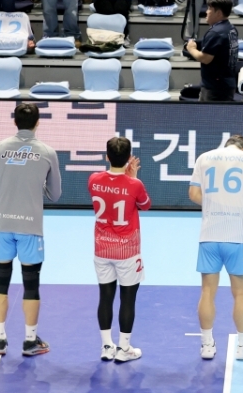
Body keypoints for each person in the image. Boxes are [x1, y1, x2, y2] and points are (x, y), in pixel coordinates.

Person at [0, 102, 61, 357]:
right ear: (38, 122)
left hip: (1, 224)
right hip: (30, 227)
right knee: (31, 284)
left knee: (0, 282)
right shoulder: (47, 152)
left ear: (14, 122)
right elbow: (55, 194)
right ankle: (30, 342)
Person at [188, 133, 243, 360]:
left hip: (209, 236)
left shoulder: (204, 157)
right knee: (240, 293)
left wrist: (215, 203)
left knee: (207, 292)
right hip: (238, 237)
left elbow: (193, 194)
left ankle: (207, 345)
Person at [89, 137, 149, 363]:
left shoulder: (94, 179)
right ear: (128, 158)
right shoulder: (135, 185)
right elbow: (145, 205)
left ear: (107, 156)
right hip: (127, 252)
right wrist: (132, 177)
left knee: (105, 296)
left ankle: (107, 347)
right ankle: (124, 349)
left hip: (102, 248)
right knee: (128, 299)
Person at [185, 0, 239, 102]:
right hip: (226, 84)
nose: (206, 12)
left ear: (218, 13)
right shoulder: (231, 28)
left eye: (210, 9)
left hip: (215, 88)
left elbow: (205, 58)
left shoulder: (215, 32)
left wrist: (191, 49)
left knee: (210, 113)